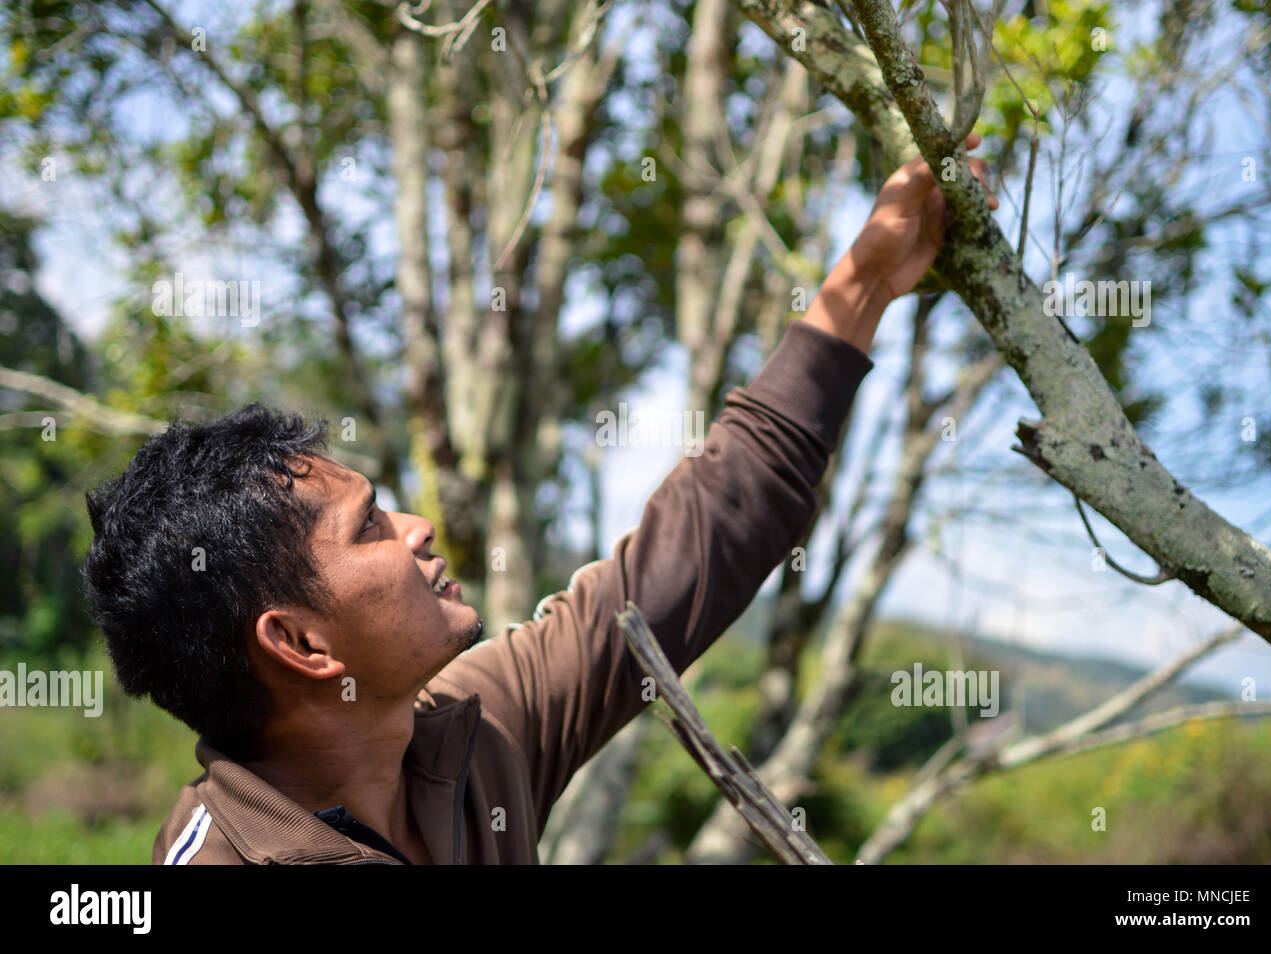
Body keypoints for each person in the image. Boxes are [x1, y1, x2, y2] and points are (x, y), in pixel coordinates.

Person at [82, 139, 996, 865]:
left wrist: (865, 280)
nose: (417, 528)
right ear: (301, 643)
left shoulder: (472, 738)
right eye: (367, 528)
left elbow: (697, 547)